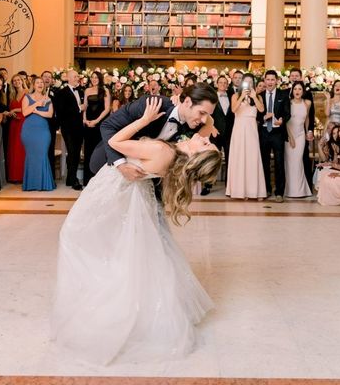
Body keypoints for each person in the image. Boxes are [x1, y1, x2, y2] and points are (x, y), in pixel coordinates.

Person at [52, 97, 222, 365]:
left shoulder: (164, 151)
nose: (206, 136)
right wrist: (205, 121)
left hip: (114, 189)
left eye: (206, 143)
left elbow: (115, 143)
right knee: (128, 252)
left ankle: (103, 309)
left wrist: (143, 121)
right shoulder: (175, 154)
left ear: (197, 155)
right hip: (129, 191)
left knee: (78, 239)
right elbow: (203, 126)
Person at [89, 82, 219, 179]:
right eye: (202, 113)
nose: (204, 120)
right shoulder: (151, 104)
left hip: (144, 180)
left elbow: (210, 122)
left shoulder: (194, 125)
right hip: (109, 164)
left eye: (207, 114)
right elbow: (107, 126)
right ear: (188, 102)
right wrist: (121, 165)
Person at [226, 73, 266, 200]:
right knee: (239, 157)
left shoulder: (258, 96)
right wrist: (242, 96)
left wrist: (254, 97)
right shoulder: (235, 95)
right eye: (246, 82)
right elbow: (233, 110)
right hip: (239, 129)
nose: (248, 84)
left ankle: (255, 191)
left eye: (250, 82)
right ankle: (240, 191)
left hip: (251, 129)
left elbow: (261, 110)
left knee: (253, 158)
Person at [257, 70, 291, 202]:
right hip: (264, 132)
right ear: (264, 80)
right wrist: (263, 118)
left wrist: (282, 120)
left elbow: (287, 113)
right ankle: (266, 189)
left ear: (276, 81)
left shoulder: (283, 95)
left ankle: (279, 192)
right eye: (268, 79)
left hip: (277, 133)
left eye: (272, 79)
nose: (270, 82)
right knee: (264, 162)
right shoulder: (259, 96)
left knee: (279, 162)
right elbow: (257, 115)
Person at [21, 77, 56, 191]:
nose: (40, 84)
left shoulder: (48, 99)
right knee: (31, 156)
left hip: (43, 131)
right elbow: (25, 112)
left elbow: (50, 115)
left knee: (42, 155)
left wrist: (37, 111)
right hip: (29, 130)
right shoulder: (27, 97)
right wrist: (37, 104)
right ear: (33, 85)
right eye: (37, 82)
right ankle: (31, 185)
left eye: (42, 83)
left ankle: (44, 184)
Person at [54, 70, 85, 190]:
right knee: (72, 152)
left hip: (79, 127)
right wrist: (79, 108)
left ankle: (70, 179)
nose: (78, 78)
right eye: (75, 76)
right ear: (68, 78)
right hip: (68, 128)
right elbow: (61, 111)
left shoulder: (81, 91)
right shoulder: (61, 92)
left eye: (78, 76)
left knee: (76, 153)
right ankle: (73, 180)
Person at [82, 71, 111, 185]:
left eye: (96, 77)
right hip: (88, 124)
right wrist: (85, 120)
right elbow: (85, 107)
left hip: (99, 124)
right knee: (88, 151)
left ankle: (99, 181)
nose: (94, 79)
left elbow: (107, 109)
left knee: (98, 151)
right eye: (92, 77)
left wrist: (96, 121)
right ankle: (87, 180)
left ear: (100, 79)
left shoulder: (105, 91)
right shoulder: (87, 90)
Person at [284, 81, 312, 197]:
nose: (297, 91)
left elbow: (307, 119)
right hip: (289, 135)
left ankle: (301, 191)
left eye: (300, 89)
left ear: (303, 91)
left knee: (298, 161)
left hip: (301, 135)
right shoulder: (288, 103)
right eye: (295, 89)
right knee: (290, 162)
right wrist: (290, 137)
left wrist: (307, 133)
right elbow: (285, 121)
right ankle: (290, 190)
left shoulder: (307, 103)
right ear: (292, 91)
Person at [6, 73, 28, 182]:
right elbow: (10, 109)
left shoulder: (27, 92)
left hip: (24, 122)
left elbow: (29, 108)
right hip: (14, 124)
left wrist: (14, 110)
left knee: (22, 148)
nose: (16, 82)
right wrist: (10, 113)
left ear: (22, 81)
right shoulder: (12, 95)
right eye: (14, 81)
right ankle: (14, 176)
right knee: (14, 148)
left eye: (18, 80)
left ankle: (23, 176)